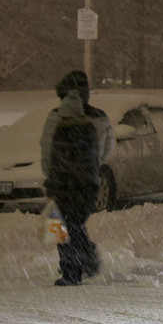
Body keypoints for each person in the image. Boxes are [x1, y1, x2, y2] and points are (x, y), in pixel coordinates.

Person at [40, 70, 114, 286]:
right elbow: (107, 148)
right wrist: (91, 166)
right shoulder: (99, 117)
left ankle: (72, 270)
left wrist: (51, 173)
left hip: (61, 181)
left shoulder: (55, 116)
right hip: (88, 182)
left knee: (59, 227)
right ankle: (86, 259)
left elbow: (46, 148)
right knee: (75, 223)